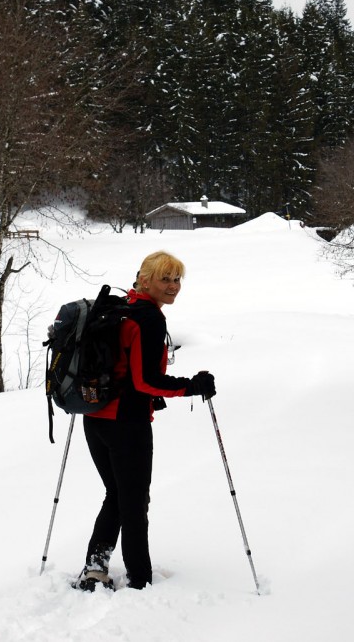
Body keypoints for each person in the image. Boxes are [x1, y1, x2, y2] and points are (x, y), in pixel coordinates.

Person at [73, 251, 215, 592]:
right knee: (134, 502)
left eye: (177, 279)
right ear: (145, 280)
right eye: (165, 279)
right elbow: (145, 381)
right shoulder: (149, 318)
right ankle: (139, 579)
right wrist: (191, 386)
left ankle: (95, 569)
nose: (173, 286)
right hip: (127, 424)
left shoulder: (118, 308)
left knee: (117, 495)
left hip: (95, 418)